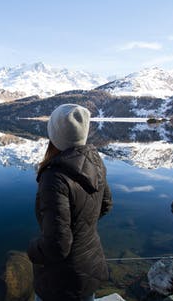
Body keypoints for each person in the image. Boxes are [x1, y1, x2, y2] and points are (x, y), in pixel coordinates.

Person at [28, 104, 113, 301]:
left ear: (55, 134)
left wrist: (32, 249)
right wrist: (80, 226)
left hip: (60, 280)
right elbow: (106, 204)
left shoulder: (54, 178)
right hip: (90, 266)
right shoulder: (94, 161)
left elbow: (57, 245)